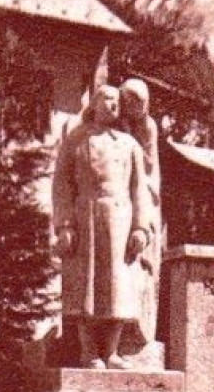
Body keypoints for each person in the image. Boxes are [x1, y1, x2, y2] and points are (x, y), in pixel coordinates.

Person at [52, 85, 153, 369]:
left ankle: (111, 351)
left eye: (118, 101)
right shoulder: (76, 139)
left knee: (119, 287)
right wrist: (64, 225)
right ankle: (88, 352)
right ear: (94, 104)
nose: (114, 105)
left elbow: (139, 189)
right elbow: (62, 185)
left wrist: (140, 228)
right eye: (108, 99)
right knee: (87, 289)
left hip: (121, 220)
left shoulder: (129, 144)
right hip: (86, 217)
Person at [118, 78, 162, 353]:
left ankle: (138, 334)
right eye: (132, 102)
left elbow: (147, 163)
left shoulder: (147, 127)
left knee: (141, 268)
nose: (138, 107)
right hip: (117, 201)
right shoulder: (115, 122)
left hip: (143, 196)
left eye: (141, 103)